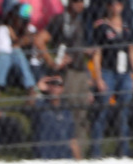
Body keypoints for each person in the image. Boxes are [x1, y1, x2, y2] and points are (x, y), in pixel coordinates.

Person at [36, 0, 92, 155]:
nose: (80, 5)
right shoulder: (60, 20)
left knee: (82, 115)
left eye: (81, 2)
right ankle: (68, 152)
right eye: (76, 2)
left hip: (81, 71)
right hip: (69, 73)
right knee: (71, 113)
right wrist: (52, 61)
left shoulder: (81, 21)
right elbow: (40, 40)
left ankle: (79, 152)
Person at [89, 0, 133, 158]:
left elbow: (131, 51)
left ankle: (123, 151)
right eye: (111, 4)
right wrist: (98, 78)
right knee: (102, 111)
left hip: (124, 73)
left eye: (118, 3)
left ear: (122, 7)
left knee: (123, 113)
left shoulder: (127, 27)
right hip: (108, 71)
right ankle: (96, 151)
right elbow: (97, 54)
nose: (115, 6)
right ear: (107, 7)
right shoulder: (101, 27)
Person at [0, 3, 37, 98]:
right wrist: (19, 40)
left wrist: (20, 38)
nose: (23, 23)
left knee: (17, 52)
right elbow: (5, 52)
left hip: (22, 72)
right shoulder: (3, 29)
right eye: (21, 20)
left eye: (25, 21)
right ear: (13, 17)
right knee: (12, 54)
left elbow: (36, 53)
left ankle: (31, 87)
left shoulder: (30, 29)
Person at [31, 74, 81, 158]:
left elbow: (72, 140)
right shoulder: (41, 105)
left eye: (58, 84)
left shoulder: (67, 111)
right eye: (52, 84)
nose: (55, 87)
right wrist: (37, 88)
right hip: (45, 158)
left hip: (65, 158)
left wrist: (80, 163)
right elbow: (29, 103)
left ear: (62, 89)